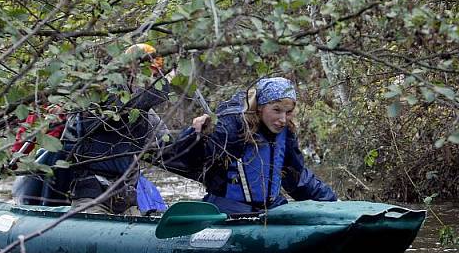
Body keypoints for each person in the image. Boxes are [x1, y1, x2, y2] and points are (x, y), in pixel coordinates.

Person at [190, 77, 337, 214]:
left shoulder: (285, 134)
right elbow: (187, 158)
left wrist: (333, 202)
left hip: (270, 209)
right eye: (277, 110)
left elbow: (297, 179)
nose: (283, 119)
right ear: (260, 107)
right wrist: (198, 134)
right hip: (228, 209)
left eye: (289, 112)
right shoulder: (232, 127)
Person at [66, 43, 174, 215]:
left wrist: (198, 134)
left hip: (125, 197)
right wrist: (163, 87)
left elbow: (168, 146)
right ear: (131, 70)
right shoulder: (102, 95)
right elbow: (122, 111)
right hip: (92, 194)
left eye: (155, 76)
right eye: (150, 74)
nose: (153, 81)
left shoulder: (146, 112)